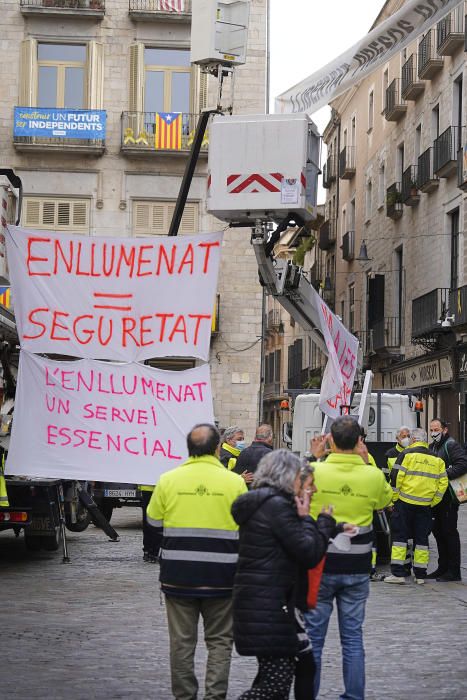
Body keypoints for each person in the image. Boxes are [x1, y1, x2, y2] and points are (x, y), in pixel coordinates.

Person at [232, 449, 343, 700]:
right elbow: (307, 551)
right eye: (298, 477)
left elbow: (292, 541)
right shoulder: (277, 506)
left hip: (269, 602)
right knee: (274, 685)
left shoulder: (268, 502)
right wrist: (321, 521)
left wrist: (331, 527)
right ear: (286, 476)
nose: (310, 488)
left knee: (297, 667)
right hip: (270, 605)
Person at [146, 423, 247, 700]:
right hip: (222, 576)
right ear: (217, 448)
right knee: (220, 642)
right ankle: (215, 696)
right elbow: (247, 527)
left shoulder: (168, 480)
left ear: (189, 449)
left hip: (178, 575)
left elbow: (153, 522)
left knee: (181, 643)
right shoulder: (235, 482)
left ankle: (185, 697)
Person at [304, 416, 393, 700]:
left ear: (330, 440)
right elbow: (384, 502)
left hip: (319, 564)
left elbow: (295, 497)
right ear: (359, 443)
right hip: (357, 566)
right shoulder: (373, 475)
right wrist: (367, 463)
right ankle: (353, 696)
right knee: (353, 639)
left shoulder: (314, 471)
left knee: (313, 640)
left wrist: (312, 457)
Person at [385, 427, 448, 585]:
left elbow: (396, 478)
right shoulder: (437, 459)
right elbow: (443, 484)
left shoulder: (405, 455)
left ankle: (398, 574)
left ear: (413, 440)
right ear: (424, 440)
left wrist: (393, 500)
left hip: (404, 503)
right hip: (425, 505)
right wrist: (433, 501)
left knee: (400, 538)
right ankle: (420, 575)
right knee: (422, 540)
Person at [428, 418, 467, 581]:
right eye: (431, 430)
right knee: (438, 531)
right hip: (437, 496)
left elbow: (463, 464)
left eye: (436, 429)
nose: (433, 433)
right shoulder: (432, 447)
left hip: (449, 496)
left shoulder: (450, 445)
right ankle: (442, 567)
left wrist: (444, 474)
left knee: (449, 532)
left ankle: (453, 571)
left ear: (444, 430)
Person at [139, 482, 161, 562]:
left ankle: (148, 550)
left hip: (147, 487)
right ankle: (154, 552)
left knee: (147, 519)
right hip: (159, 486)